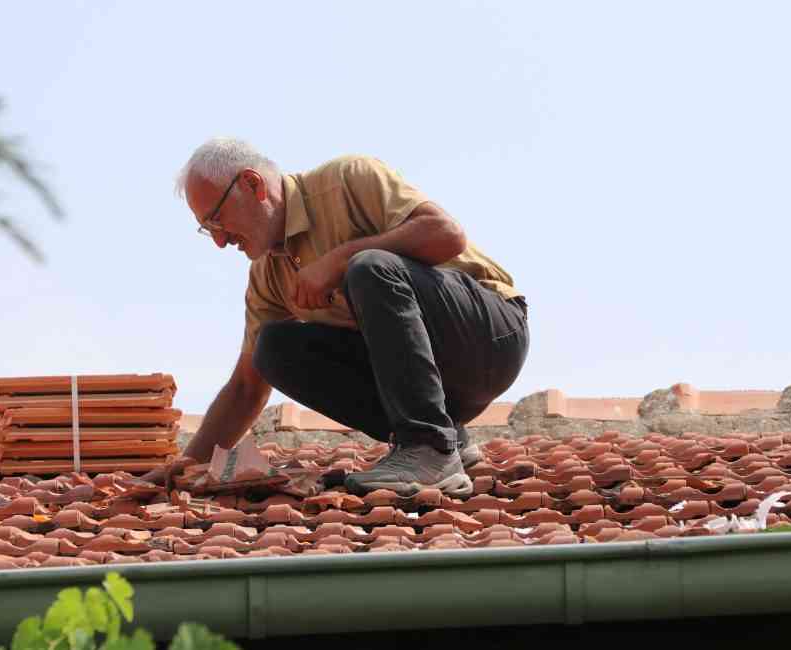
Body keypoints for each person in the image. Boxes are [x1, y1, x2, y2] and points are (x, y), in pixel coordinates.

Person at [159, 137, 528, 497]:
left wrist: (338, 260)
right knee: (273, 348)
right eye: (207, 230)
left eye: (218, 220)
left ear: (252, 184)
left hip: (492, 339)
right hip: (443, 388)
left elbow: (447, 234)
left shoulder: (348, 180)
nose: (220, 242)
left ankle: (428, 447)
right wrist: (187, 462)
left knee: (368, 269)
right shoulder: (267, 277)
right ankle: (445, 437)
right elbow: (245, 388)